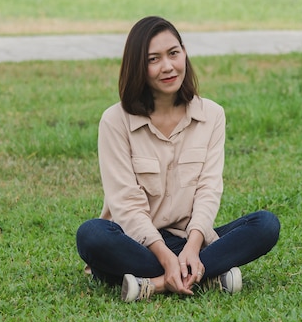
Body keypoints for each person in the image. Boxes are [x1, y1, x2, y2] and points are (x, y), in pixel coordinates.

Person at [76, 16, 280, 302]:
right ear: (138, 67)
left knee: (266, 225)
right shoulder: (115, 121)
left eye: (174, 53)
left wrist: (193, 246)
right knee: (91, 235)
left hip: (188, 240)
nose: (168, 66)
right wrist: (165, 255)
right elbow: (125, 202)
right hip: (133, 242)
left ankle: (155, 283)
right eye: (154, 59)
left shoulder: (212, 115)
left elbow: (208, 190)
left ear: (184, 53)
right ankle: (202, 275)